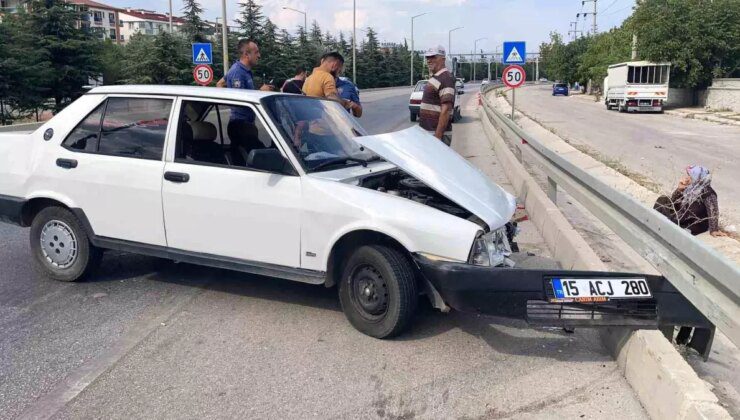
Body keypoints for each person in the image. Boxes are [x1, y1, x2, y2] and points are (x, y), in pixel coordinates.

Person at [215, 39, 273, 165]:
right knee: (264, 159)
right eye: (256, 52)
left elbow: (220, 83)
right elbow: (240, 99)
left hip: (246, 124)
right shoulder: (237, 72)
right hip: (240, 125)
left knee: (248, 160)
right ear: (246, 54)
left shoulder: (243, 70)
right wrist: (260, 92)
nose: (259, 55)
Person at [653, 165, 727, 237]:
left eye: (691, 177)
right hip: (681, 216)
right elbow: (674, 202)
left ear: (698, 179)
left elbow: (713, 210)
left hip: (692, 223)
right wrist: (679, 190)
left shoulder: (708, 192)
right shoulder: (690, 189)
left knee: (670, 222)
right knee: (662, 199)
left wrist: (714, 230)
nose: (687, 178)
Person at [420, 45, 455, 146]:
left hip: (437, 135)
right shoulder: (436, 77)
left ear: (443, 59)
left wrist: (438, 137)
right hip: (429, 134)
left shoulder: (446, 78)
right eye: (427, 57)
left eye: (433, 57)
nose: (429, 60)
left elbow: (446, 109)